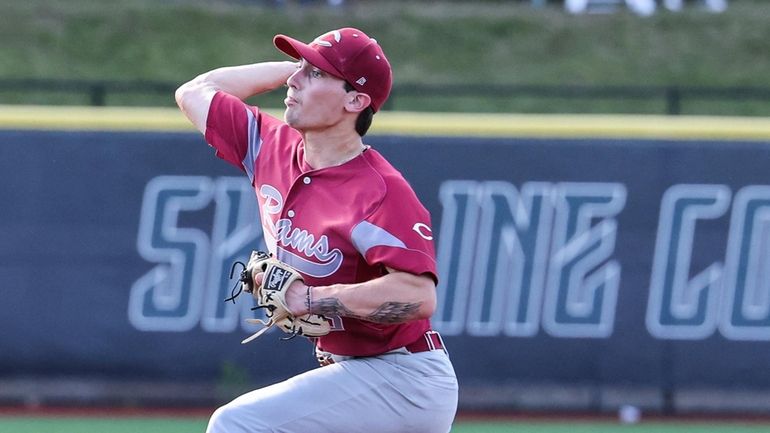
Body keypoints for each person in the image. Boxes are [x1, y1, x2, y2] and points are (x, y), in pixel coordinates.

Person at [175, 27, 458, 433]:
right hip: (356, 375)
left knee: (238, 424)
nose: (294, 81)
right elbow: (197, 89)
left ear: (356, 100)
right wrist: (295, 67)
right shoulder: (269, 146)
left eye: (317, 75)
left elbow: (417, 297)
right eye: (301, 69)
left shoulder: (379, 192)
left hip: (403, 379)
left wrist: (308, 297)